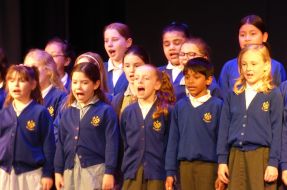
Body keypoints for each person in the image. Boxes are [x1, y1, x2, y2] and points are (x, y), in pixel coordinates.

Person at [217, 44, 283, 189]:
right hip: (235, 155)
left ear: (266, 66)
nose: (248, 68)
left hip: (260, 158)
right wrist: (222, 161)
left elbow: (277, 130)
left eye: (254, 64)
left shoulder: (273, 94)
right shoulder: (233, 94)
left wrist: (273, 163)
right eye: (244, 64)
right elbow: (224, 129)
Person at [54, 62, 119, 190]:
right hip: (70, 170)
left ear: (96, 84)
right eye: (75, 82)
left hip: (95, 171)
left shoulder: (105, 111)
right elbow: (61, 144)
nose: (78, 87)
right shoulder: (67, 111)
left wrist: (109, 172)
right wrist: (57, 171)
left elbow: (112, 144)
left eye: (84, 82)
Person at [165, 57, 223, 190]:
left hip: (209, 167)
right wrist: (170, 171)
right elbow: (173, 140)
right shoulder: (180, 106)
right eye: (187, 77)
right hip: (184, 167)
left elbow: (221, 140)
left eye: (196, 77)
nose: (190, 81)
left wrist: (221, 166)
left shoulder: (217, 106)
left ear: (208, 79)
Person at [120, 64, 175, 190]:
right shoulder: (128, 112)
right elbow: (124, 142)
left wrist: (170, 172)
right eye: (136, 78)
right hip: (132, 173)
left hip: (157, 174)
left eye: (146, 78)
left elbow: (170, 145)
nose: (140, 81)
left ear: (157, 85)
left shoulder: (166, 112)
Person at [0, 65, 55, 190]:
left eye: (22, 80)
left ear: (33, 85)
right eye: (12, 81)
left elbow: (49, 145)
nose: (16, 85)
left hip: (31, 174)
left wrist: (47, 173)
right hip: (4, 173)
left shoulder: (40, 113)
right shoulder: (3, 113)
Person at [219, 14, 287, 91]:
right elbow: (223, 97)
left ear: (264, 37)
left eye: (253, 34)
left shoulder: (276, 67)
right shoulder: (229, 67)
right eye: (242, 35)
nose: (247, 39)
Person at [24, 49, 67, 120]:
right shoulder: (25, 96)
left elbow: (58, 128)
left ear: (49, 71)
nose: (29, 73)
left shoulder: (60, 98)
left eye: (33, 68)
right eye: (26, 69)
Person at [112, 45, 150, 116]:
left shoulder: (155, 96)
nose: (131, 70)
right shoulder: (117, 100)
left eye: (137, 66)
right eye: (127, 66)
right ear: (123, 67)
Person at [158, 22, 191, 101]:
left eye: (177, 43)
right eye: (166, 44)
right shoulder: (157, 73)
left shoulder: (199, 72)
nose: (171, 47)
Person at [103, 22, 132, 96]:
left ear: (128, 42)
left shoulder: (135, 69)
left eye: (115, 40)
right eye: (106, 41)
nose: (109, 44)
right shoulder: (100, 69)